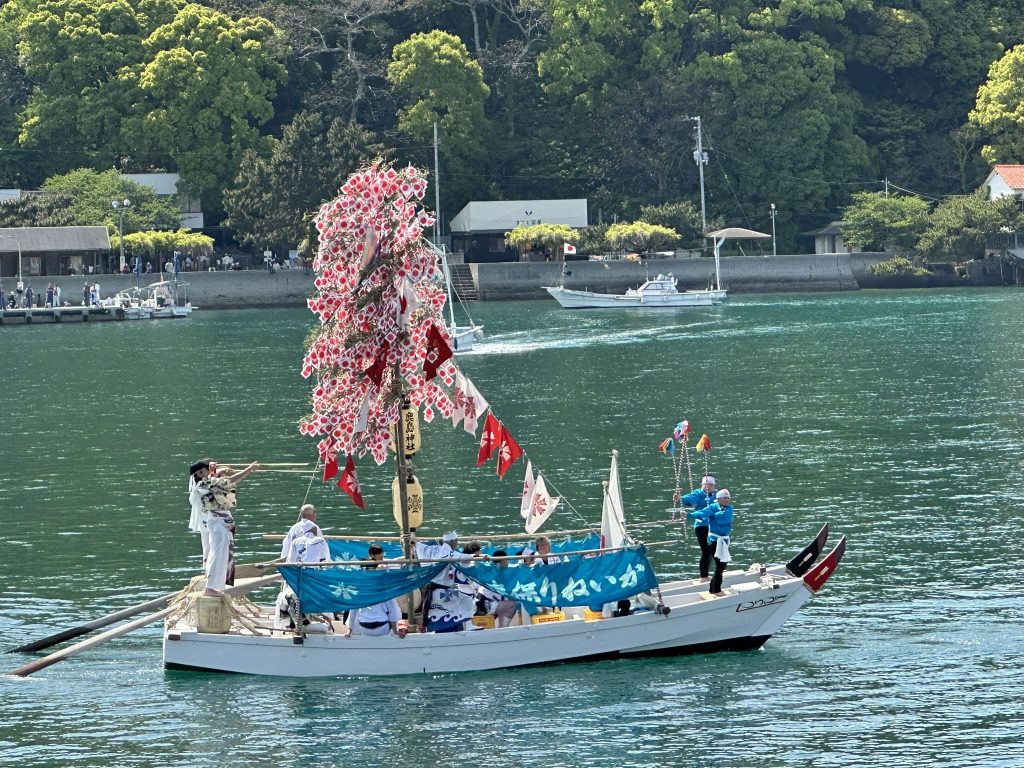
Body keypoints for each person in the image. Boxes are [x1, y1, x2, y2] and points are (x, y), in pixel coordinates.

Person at [189, 459, 260, 595]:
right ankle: (210, 588)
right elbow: (230, 481)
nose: (211, 473)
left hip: (221, 523)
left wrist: (219, 471)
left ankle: (216, 585)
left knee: (222, 555)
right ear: (200, 472)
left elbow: (219, 481)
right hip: (218, 524)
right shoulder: (203, 485)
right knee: (218, 555)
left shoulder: (206, 483)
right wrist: (247, 470)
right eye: (208, 470)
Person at [415, 532, 476, 632]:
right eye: (456, 541)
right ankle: (468, 625)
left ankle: (461, 624)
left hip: (434, 590)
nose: (456, 544)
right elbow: (465, 557)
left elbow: (419, 546)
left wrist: (413, 541)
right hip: (443, 592)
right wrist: (479, 556)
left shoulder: (433, 551)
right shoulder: (450, 553)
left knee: (465, 594)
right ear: (453, 542)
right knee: (467, 600)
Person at [348, 544, 404, 637]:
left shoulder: (360, 588)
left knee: (357, 609)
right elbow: (393, 610)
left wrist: (349, 630)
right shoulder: (383, 587)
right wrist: (395, 631)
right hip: (382, 627)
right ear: (373, 557)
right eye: (380, 557)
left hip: (364, 628)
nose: (382, 559)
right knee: (391, 607)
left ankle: (354, 632)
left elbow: (353, 610)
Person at [682, 475, 717, 581]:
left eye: (710, 485)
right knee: (706, 551)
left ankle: (705, 575)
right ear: (702, 485)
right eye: (706, 485)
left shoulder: (715, 495)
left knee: (711, 551)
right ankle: (703, 576)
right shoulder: (699, 493)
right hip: (701, 526)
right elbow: (688, 500)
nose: (708, 487)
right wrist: (680, 498)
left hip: (712, 527)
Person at [702, 489, 735, 595]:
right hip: (715, 540)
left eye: (728, 498)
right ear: (719, 499)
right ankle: (716, 590)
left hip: (721, 541)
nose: (727, 500)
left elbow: (725, 518)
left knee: (720, 565)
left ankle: (713, 588)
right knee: (721, 565)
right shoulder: (713, 507)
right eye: (724, 498)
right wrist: (688, 515)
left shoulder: (728, 508)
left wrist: (713, 514)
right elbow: (702, 513)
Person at [476, 549, 519, 627]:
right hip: (486, 605)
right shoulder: (494, 573)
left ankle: (502, 629)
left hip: (492, 603)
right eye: (506, 560)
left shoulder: (494, 571)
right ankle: (502, 629)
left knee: (511, 603)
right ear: (501, 562)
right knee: (511, 605)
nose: (508, 562)